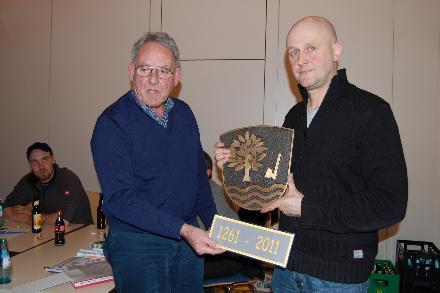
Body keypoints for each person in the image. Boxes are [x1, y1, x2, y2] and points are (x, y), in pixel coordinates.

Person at [215, 16, 408, 292]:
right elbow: (271, 194)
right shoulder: (293, 117)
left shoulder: (371, 112)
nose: (300, 59)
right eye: (293, 52)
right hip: (286, 270)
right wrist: (236, 171)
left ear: (336, 51)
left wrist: (308, 209)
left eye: (311, 48)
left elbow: (390, 203)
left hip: (338, 279)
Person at [90, 32, 224, 292]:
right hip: (137, 245)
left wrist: (217, 226)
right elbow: (120, 199)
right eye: (145, 69)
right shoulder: (112, 123)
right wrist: (184, 230)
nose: (153, 80)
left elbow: (198, 179)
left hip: (187, 244)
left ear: (177, 76)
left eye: (163, 71)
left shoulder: (184, 114)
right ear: (131, 71)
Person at [201, 151, 264, 283]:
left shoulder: (211, 192)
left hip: (228, 258)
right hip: (217, 254)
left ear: (206, 173)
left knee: (180, 269)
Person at [3, 142, 93, 226]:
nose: (41, 166)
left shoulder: (68, 179)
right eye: (35, 162)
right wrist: (28, 219)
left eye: (44, 159)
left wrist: (34, 214)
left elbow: (63, 220)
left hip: (79, 233)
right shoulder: (28, 181)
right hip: (47, 232)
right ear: (30, 166)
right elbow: (6, 209)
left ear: (53, 160)